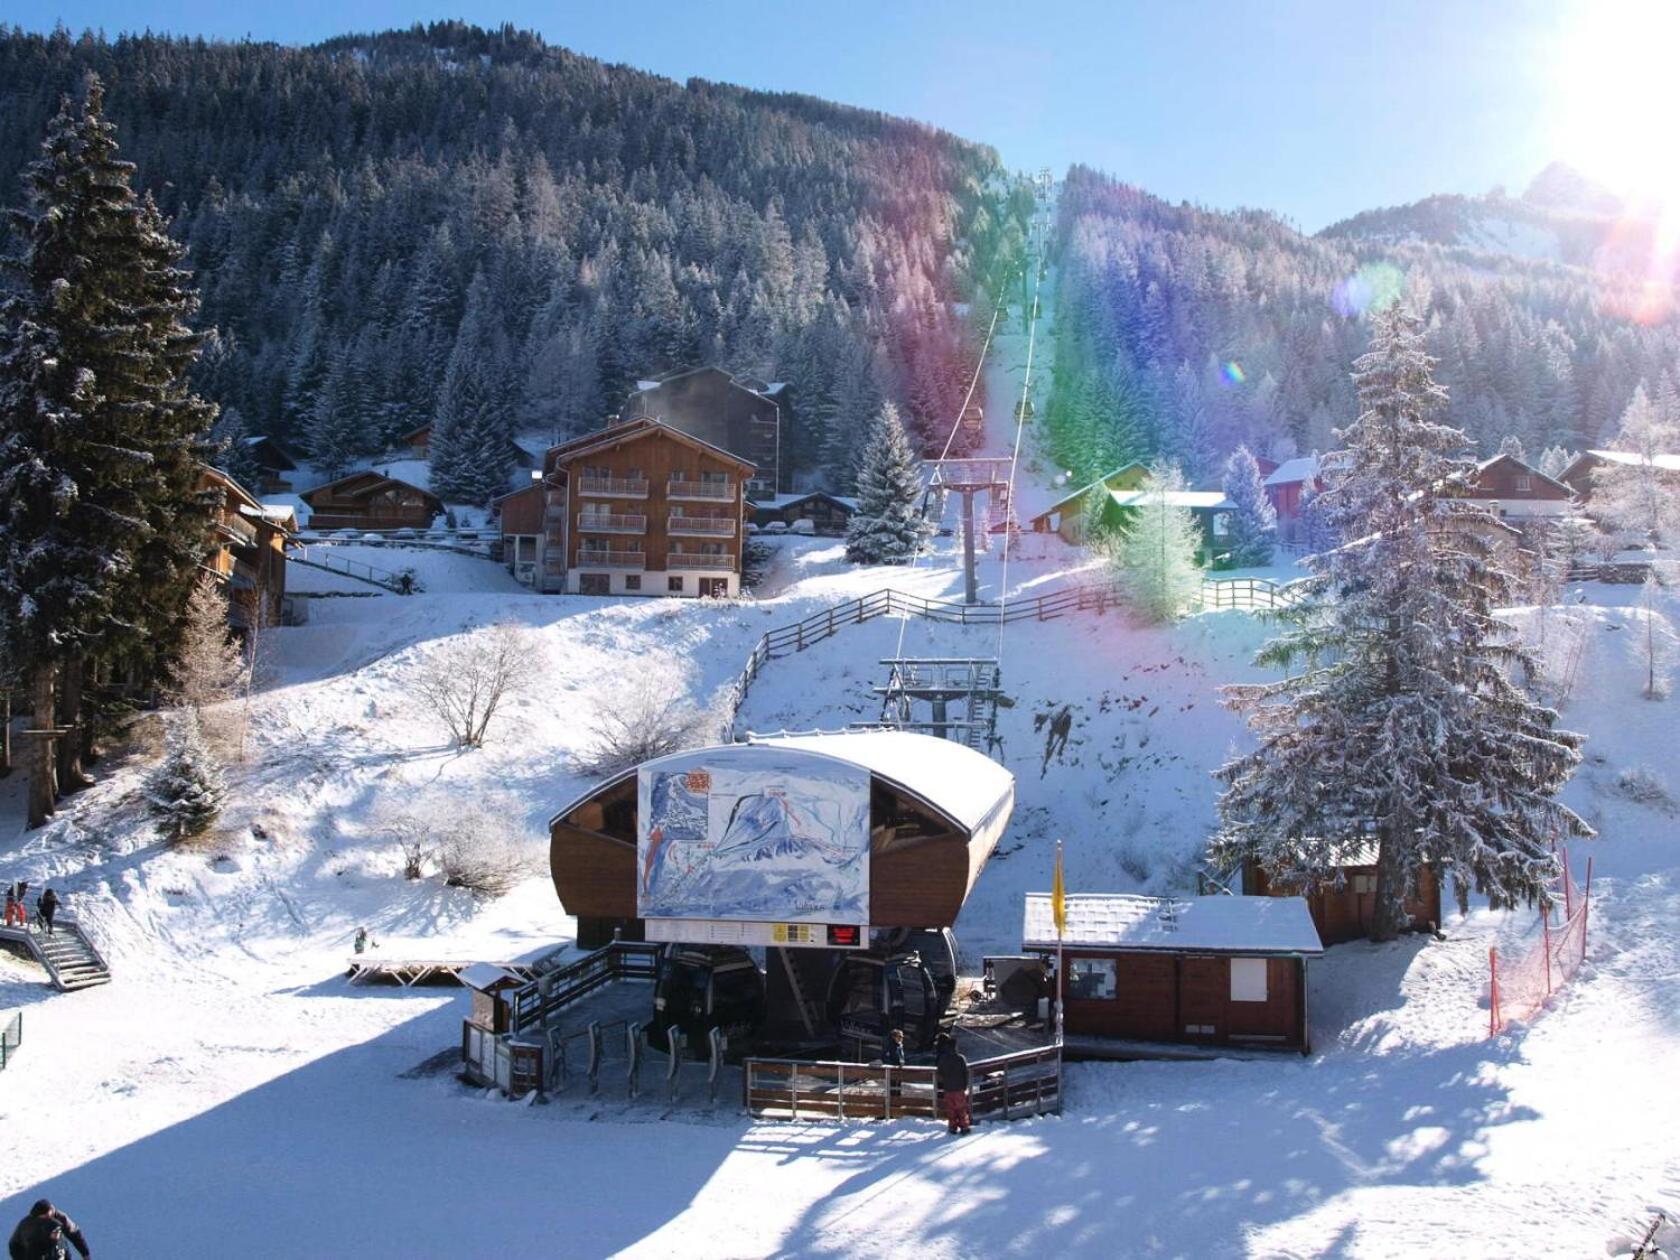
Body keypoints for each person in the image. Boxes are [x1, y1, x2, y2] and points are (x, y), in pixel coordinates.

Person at [8, 1198, 91, 1259]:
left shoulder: (60, 1219)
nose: (43, 1219)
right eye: (40, 1218)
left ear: (50, 1211)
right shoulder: (28, 1225)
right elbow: (16, 1246)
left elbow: (74, 1234)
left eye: (45, 1217)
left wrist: (85, 1253)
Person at [934, 1032, 972, 1135]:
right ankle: (964, 1126)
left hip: (948, 1087)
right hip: (959, 1087)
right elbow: (965, 1072)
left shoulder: (943, 1058)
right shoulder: (960, 1058)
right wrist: (965, 1084)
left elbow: (940, 1071)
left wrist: (944, 1081)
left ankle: (952, 1127)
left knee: (951, 1109)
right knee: (961, 1109)